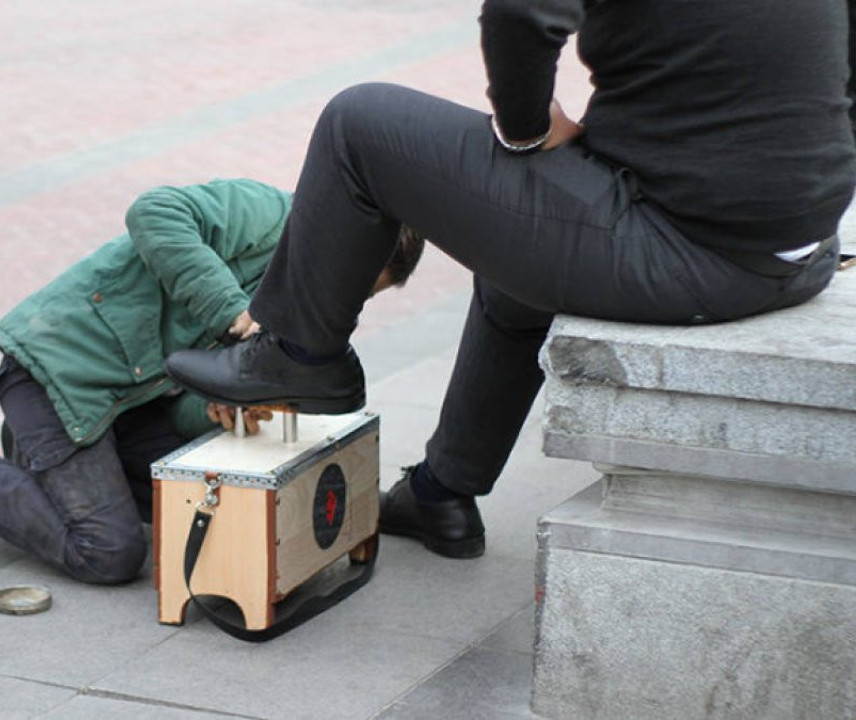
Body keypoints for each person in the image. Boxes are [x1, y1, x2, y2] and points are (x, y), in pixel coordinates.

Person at [164, 0, 856, 560]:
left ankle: (297, 357)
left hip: (692, 250)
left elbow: (523, 14)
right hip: (797, 247)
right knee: (520, 261)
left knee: (360, 123)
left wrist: (525, 129)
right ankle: (441, 494)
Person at [0, 178, 425, 584]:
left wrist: (224, 405)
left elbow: (179, 398)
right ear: (345, 245)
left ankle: (39, 458)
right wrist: (233, 314)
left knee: (187, 507)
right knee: (108, 551)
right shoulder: (272, 214)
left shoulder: (303, 296)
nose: (348, 304)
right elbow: (152, 211)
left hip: (128, 401)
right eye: (356, 286)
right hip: (59, 369)